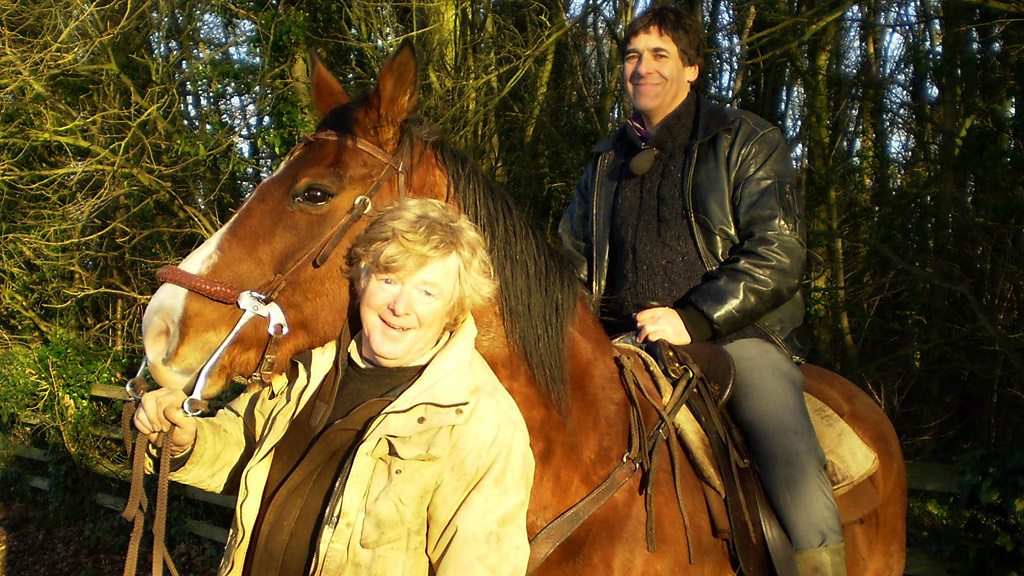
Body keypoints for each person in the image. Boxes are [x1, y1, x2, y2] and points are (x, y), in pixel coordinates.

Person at [559, 4, 845, 575]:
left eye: (659, 55)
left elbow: (778, 254)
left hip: (735, 337)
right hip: (622, 340)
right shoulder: (604, 161)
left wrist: (691, 318)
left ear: (691, 69)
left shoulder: (746, 141)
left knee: (785, 448)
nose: (642, 67)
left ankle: (821, 563)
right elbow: (570, 264)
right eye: (632, 56)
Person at [134, 198, 534, 576]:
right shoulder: (309, 369)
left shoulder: (481, 422)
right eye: (389, 278)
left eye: (427, 292)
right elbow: (244, 442)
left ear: (454, 307)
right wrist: (187, 440)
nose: (400, 306)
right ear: (362, 279)